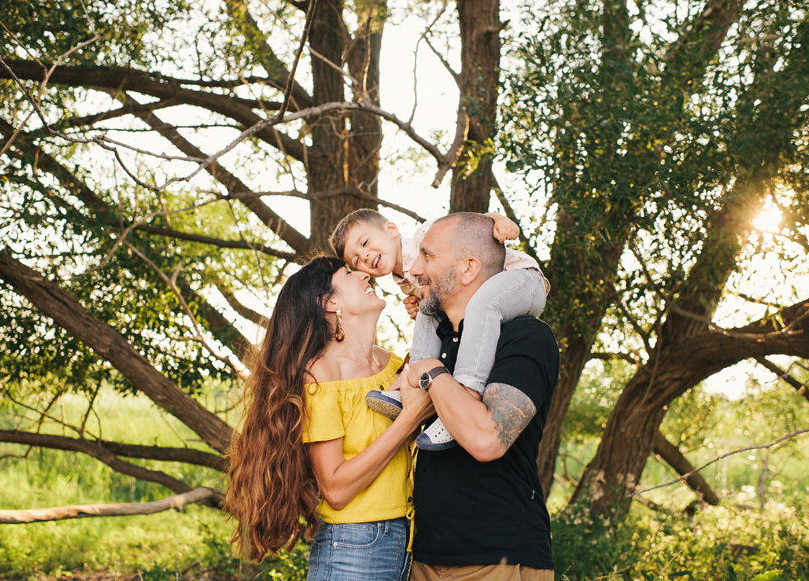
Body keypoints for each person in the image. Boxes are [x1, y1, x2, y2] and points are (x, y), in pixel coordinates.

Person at [226, 256, 432, 581]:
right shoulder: (319, 375)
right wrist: (409, 419)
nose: (365, 275)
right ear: (330, 301)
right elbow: (334, 489)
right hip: (354, 545)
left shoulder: (393, 365)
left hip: (407, 538)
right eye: (350, 273)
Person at [403, 213, 559, 580]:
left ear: (468, 268)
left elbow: (486, 440)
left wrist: (431, 372)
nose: (413, 267)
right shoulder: (438, 339)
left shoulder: (526, 336)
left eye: (426, 256)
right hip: (423, 556)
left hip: (498, 558)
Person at [329, 209, 549, 450]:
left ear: (391, 230)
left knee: (483, 303)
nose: (365, 256)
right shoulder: (402, 280)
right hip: (485, 292)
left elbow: (471, 224)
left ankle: (467, 393)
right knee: (427, 310)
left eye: (365, 243)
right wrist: (419, 305)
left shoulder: (424, 236)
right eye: (357, 260)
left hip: (523, 281)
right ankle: (410, 385)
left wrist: (500, 221)